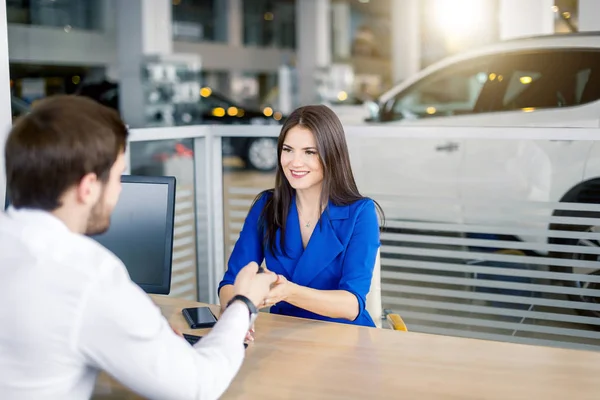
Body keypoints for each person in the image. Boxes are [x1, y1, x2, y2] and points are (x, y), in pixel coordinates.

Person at [0, 95, 277, 400]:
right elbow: (197, 385)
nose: (120, 189)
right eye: (118, 177)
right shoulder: (88, 276)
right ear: (88, 187)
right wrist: (244, 304)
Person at [218, 105, 383, 330]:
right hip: (283, 333)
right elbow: (230, 283)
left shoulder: (360, 213)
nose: (295, 162)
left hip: (344, 336)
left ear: (331, 155)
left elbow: (351, 304)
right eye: (288, 150)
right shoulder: (266, 206)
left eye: (309, 152)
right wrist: (236, 315)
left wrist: (289, 291)